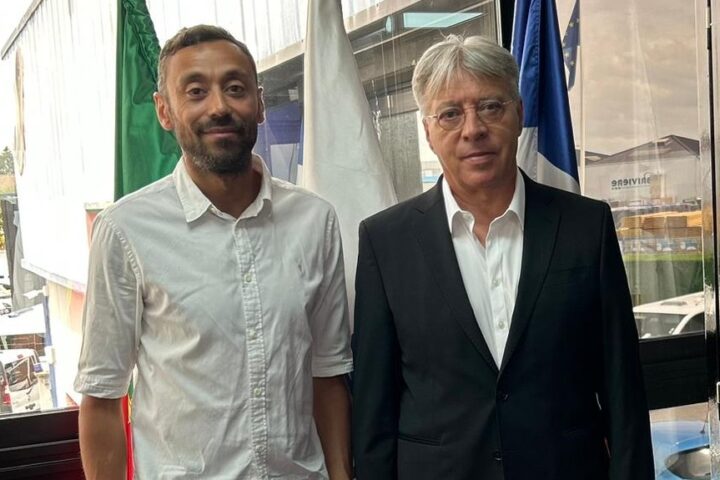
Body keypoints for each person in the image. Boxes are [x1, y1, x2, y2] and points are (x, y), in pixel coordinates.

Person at [351, 35, 654, 480]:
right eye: (450, 113)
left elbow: (623, 390)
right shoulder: (385, 241)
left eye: (491, 106)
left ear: (519, 114)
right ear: (428, 131)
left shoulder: (585, 226)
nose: (473, 129)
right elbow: (373, 409)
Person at [75, 25, 353, 480]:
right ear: (164, 110)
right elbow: (102, 398)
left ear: (259, 104)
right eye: (196, 92)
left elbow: (328, 374)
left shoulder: (314, 220)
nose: (219, 106)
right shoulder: (125, 231)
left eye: (235, 88)